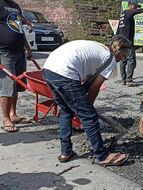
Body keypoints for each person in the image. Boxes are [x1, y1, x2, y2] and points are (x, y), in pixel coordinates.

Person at [42, 36, 131, 166]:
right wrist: (87, 108)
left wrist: (82, 105)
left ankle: (65, 152)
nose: (124, 58)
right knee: (89, 116)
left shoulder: (101, 49)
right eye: (125, 54)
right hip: (65, 73)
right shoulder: (110, 59)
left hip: (49, 70)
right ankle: (102, 155)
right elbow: (95, 87)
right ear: (119, 50)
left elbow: (89, 82)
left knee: (66, 110)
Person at [0, 0, 33, 132]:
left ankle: (13, 115)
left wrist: (28, 48)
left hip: (19, 51)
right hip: (4, 52)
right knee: (7, 86)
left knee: (17, 85)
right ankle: (6, 118)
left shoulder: (15, 5)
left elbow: (19, 29)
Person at [116, 0, 143, 86]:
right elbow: (134, 12)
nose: (136, 8)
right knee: (131, 60)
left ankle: (123, 80)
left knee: (123, 60)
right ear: (130, 5)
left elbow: (118, 30)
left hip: (121, 42)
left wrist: (117, 41)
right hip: (127, 42)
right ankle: (129, 80)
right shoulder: (128, 13)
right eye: (135, 6)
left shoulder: (123, 15)